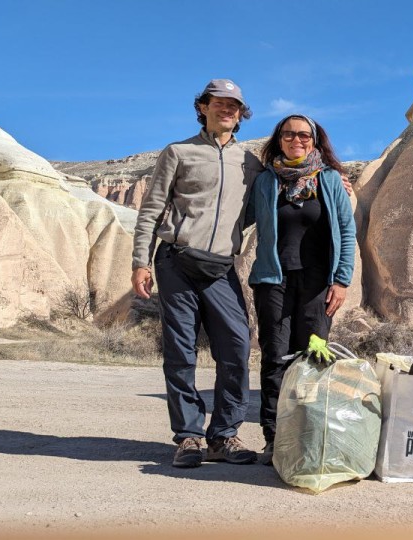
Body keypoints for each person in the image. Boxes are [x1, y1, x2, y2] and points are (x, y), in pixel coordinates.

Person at [131, 79, 263, 468]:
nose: (227, 110)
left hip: (221, 266)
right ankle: (189, 437)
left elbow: (257, 209)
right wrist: (141, 261)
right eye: (219, 103)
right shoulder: (179, 152)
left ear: (241, 115)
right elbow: (151, 210)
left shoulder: (249, 162)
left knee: (237, 348)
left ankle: (223, 437)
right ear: (203, 107)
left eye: (234, 106)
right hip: (177, 261)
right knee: (180, 351)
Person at [245, 114, 356, 464]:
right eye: (289, 134)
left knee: (314, 359)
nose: (297, 140)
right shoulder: (266, 182)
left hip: (318, 285)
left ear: (315, 140)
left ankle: (310, 436)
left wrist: (342, 280)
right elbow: (242, 216)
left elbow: (346, 231)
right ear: (279, 139)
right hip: (273, 281)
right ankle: (274, 440)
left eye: (304, 135)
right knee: (275, 358)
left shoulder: (329, 181)